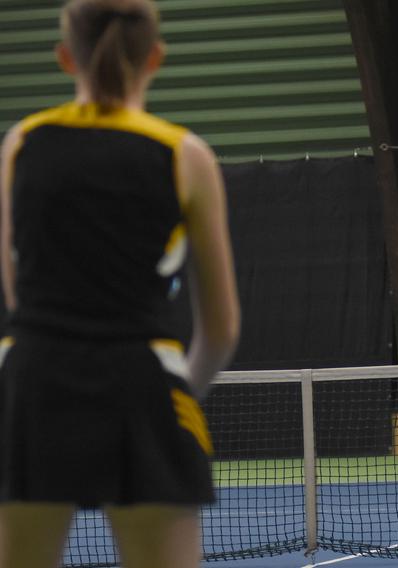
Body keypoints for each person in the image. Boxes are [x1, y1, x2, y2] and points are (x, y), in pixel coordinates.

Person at [0, 1, 241, 567]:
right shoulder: (187, 156)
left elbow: (16, 294)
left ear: (65, 58)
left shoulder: (20, 145)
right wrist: (176, 392)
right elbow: (222, 327)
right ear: (155, 57)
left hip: (31, 384)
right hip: (143, 384)